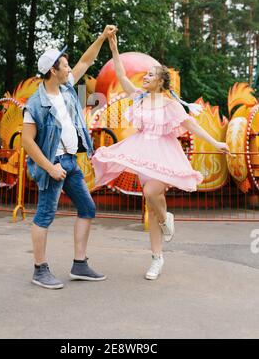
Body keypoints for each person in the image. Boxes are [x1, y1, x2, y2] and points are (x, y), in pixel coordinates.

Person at [92, 33, 230, 281]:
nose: (145, 77)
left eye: (150, 75)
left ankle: (167, 219)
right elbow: (122, 76)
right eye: (146, 74)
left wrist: (215, 142)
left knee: (151, 194)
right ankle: (157, 257)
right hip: (141, 151)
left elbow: (192, 126)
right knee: (151, 209)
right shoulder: (140, 98)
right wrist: (114, 49)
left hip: (164, 155)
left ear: (161, 82)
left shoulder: (171, 105)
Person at [22, 25, 117, 289]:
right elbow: (27, 142)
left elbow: (86, 60)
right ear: (53, 70)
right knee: (44, 216)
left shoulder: (65, 90)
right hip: (53, 165)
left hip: (71, 163)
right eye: (64, 65)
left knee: (87, 208)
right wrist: (49, 168)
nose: (69, 68)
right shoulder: (35, 104)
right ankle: (39, 270)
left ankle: (79, 264)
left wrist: (101, 37)